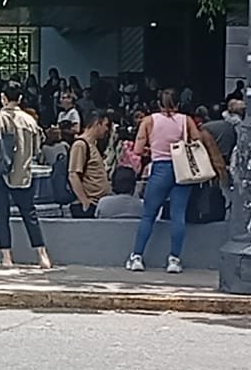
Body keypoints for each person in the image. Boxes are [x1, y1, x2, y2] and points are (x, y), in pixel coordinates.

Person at [125, 89, 205, 274]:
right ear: (178, 104)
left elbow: (137, 150)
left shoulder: (148, 121)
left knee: (148, 215)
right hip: (182, 169)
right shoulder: (186, 120)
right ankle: (174, 259)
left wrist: (153, 147)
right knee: (178, 215)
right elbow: (198, 141)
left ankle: (137, 257)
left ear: (158, 103)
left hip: (160, 168)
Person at [0, 81, 51, 269]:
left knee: (2, 214)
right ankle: (42, 256)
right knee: (29, 214)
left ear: (3, 98)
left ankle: (7, 258)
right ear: (20, 98)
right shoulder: (30, 121)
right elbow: (37, 149)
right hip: (21, 173)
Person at [68, 111, 112, 218]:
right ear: (97, 124)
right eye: (106, 125)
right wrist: (84, 200)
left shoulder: (92, 145)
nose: (107, 129)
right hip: (89, 203)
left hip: (98, 202)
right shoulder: (80, 145)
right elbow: (73, 175)